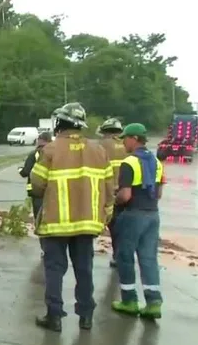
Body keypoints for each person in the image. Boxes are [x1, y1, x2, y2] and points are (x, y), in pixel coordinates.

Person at [30, 102, 115, 332]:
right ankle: (86, 316)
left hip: (56, 225)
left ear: (61, 122)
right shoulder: (98, 151)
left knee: (55, 269)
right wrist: (106, 213)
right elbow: (110, 187)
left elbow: (37, 185)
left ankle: (54, 316)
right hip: (87, 224)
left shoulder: (50, 150)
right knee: (84, 269)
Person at [111, 123, 166, 320]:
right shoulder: (157, 162)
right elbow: (158, 193)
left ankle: (129, 300)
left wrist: (114, 199)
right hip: (153, 215)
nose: (123, 142)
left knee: (124, 256)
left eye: (125, 138)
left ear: (134, 138)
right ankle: (153, 303)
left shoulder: (129, 162)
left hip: (133, 214)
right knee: (149, 258)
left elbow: (125, 195)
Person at [96, 118, 127, 268]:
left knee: (112, 226)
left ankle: (117, 256)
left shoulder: (100, 146)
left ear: (104, 132)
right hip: (128, 192)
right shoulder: (126, 145)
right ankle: (125, 256)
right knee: (125, 227)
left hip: (108, 193)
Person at [19, 131, 52, 222]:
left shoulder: (34, 154)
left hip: (36, 190)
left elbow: (25, 172)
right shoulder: (56, 153)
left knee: (39, 216)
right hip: (53, 190)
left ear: (41, 140)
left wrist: (20, 170)